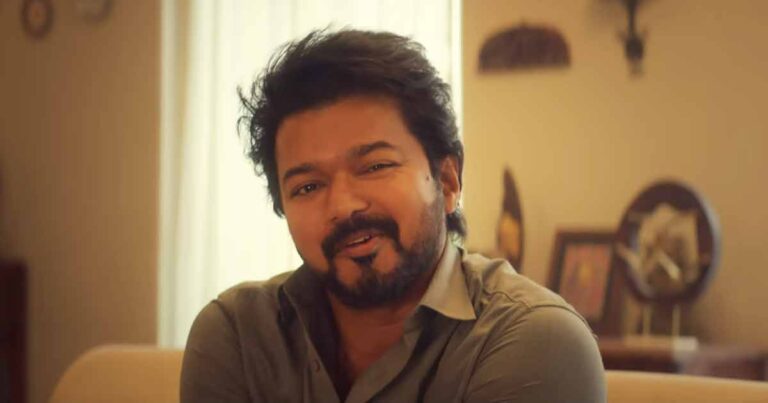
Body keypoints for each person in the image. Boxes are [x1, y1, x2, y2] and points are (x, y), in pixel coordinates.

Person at [180, 29, 606, 403]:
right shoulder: (239, 336)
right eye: (307, 187)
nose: (343, 206)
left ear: (447, 181)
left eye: (375, 166)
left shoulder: (531, 339)